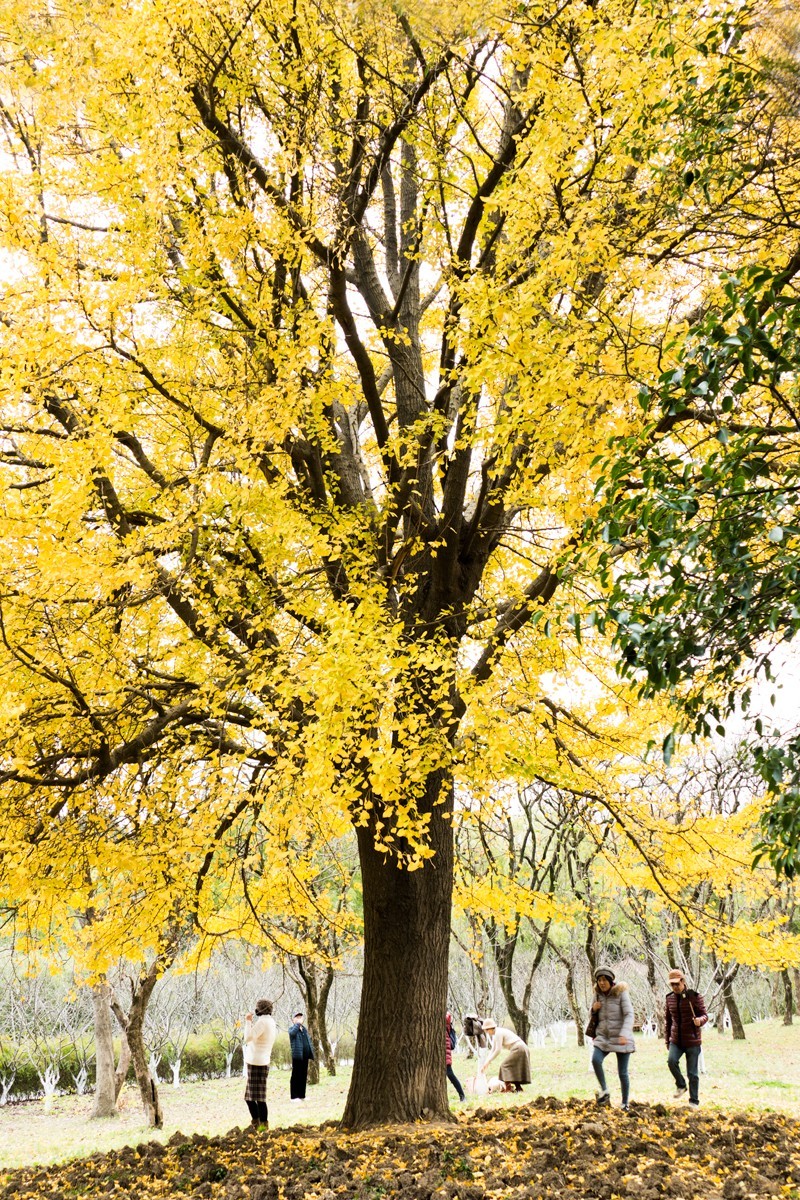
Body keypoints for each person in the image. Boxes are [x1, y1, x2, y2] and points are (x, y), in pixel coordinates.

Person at [587, 966, 635, 1111]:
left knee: (622, 1072)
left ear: (610, 980)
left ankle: (625, 1103)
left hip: (621, 1036)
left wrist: (625, 1033)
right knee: (595, 1060)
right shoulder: (597, 995)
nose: (602, 983)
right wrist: (594, 1010)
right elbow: (592, 1016)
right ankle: (605, 1090)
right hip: (603, 1036)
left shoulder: (621, 993)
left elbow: (629, 1014)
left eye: (604, 980)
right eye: (599, 980)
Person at [665, 967, 708, 1108]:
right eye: (672, 984)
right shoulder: (669, 998)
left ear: (683, 981)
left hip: (692, 1040)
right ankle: (681, 1085)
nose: (675, 987)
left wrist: (699, 1021)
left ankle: (694, 1101)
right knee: (671, 1061)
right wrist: (667, 1039)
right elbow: (668, 1021)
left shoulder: (694, 997)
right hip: (676, 1040)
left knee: (693, 1073)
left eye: (677, 983)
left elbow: (704, 1015)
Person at [243, 998, 276, 1127]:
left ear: (259, 1010)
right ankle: (259, 1123)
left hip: (256, 1063)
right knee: (255, 1097)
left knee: (255, 1098)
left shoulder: (262, 1022)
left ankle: (260, 1124)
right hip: (262, 1062)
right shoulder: (271, 1022)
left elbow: (248, 1037)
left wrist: (248, 1021)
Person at [477, 1017, 531, 1092]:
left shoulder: (498, 1032)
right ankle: (518, 1088)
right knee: (513, 1068)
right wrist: (486, 1062)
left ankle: (508, 1088)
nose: (487, 1032)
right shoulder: (495, 1034)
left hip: (519, 1047)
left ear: (490, 1028)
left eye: (487, 1030)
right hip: (520, 1048)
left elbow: (498, 1050)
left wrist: (489, 1061)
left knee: (504, 1066)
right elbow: (493, 1049)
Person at [288, 1009, 315, 1101]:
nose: (299, 1019)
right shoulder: (292, 1029)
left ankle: (302, 1095)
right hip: (297, 1056)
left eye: (300, 1017)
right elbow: (292, 1033)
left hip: (305, 1056)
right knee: (296, 1076)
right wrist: (297, 1024)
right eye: (297, 1017)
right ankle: (294, 1096)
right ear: (293, 1019)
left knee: (303, 1076)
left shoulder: (304, 1029)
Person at [446, 1011, 465, 1102]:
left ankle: (462, 1095)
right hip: (445, 1054)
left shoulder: (445, 1020)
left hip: (445, 1055)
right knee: (450, 1075)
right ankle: (462, 1095)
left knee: (450, 1074)